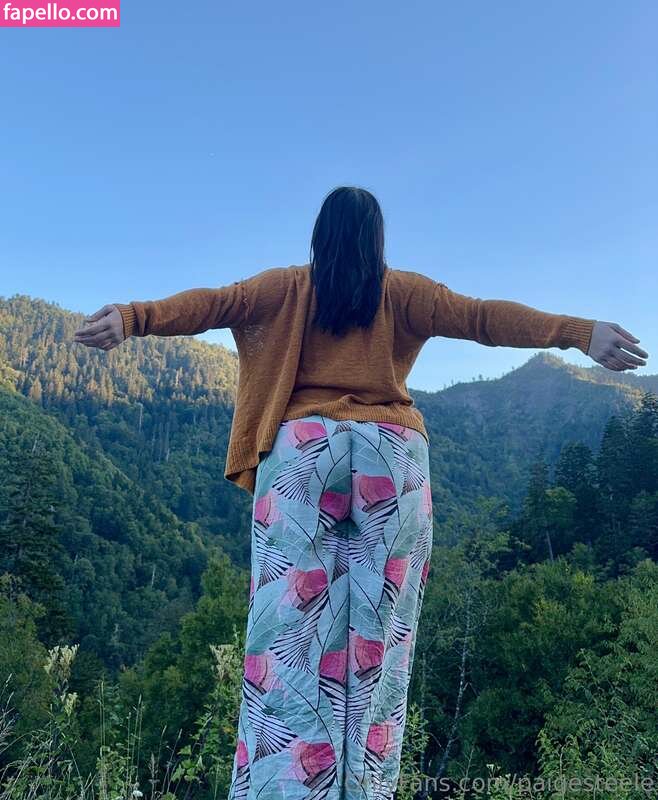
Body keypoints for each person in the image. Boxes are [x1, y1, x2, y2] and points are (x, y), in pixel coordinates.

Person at [73, 186, 648, 799]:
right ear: (378, 240)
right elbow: (483, 317)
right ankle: (366, 788)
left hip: (304, 457)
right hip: (392, 459)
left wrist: (132, 318)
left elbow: (214, 305)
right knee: (381, 642)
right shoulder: (404, 292)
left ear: (318, 237)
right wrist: (577, 332)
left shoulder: (285, 287)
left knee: (287, 638)